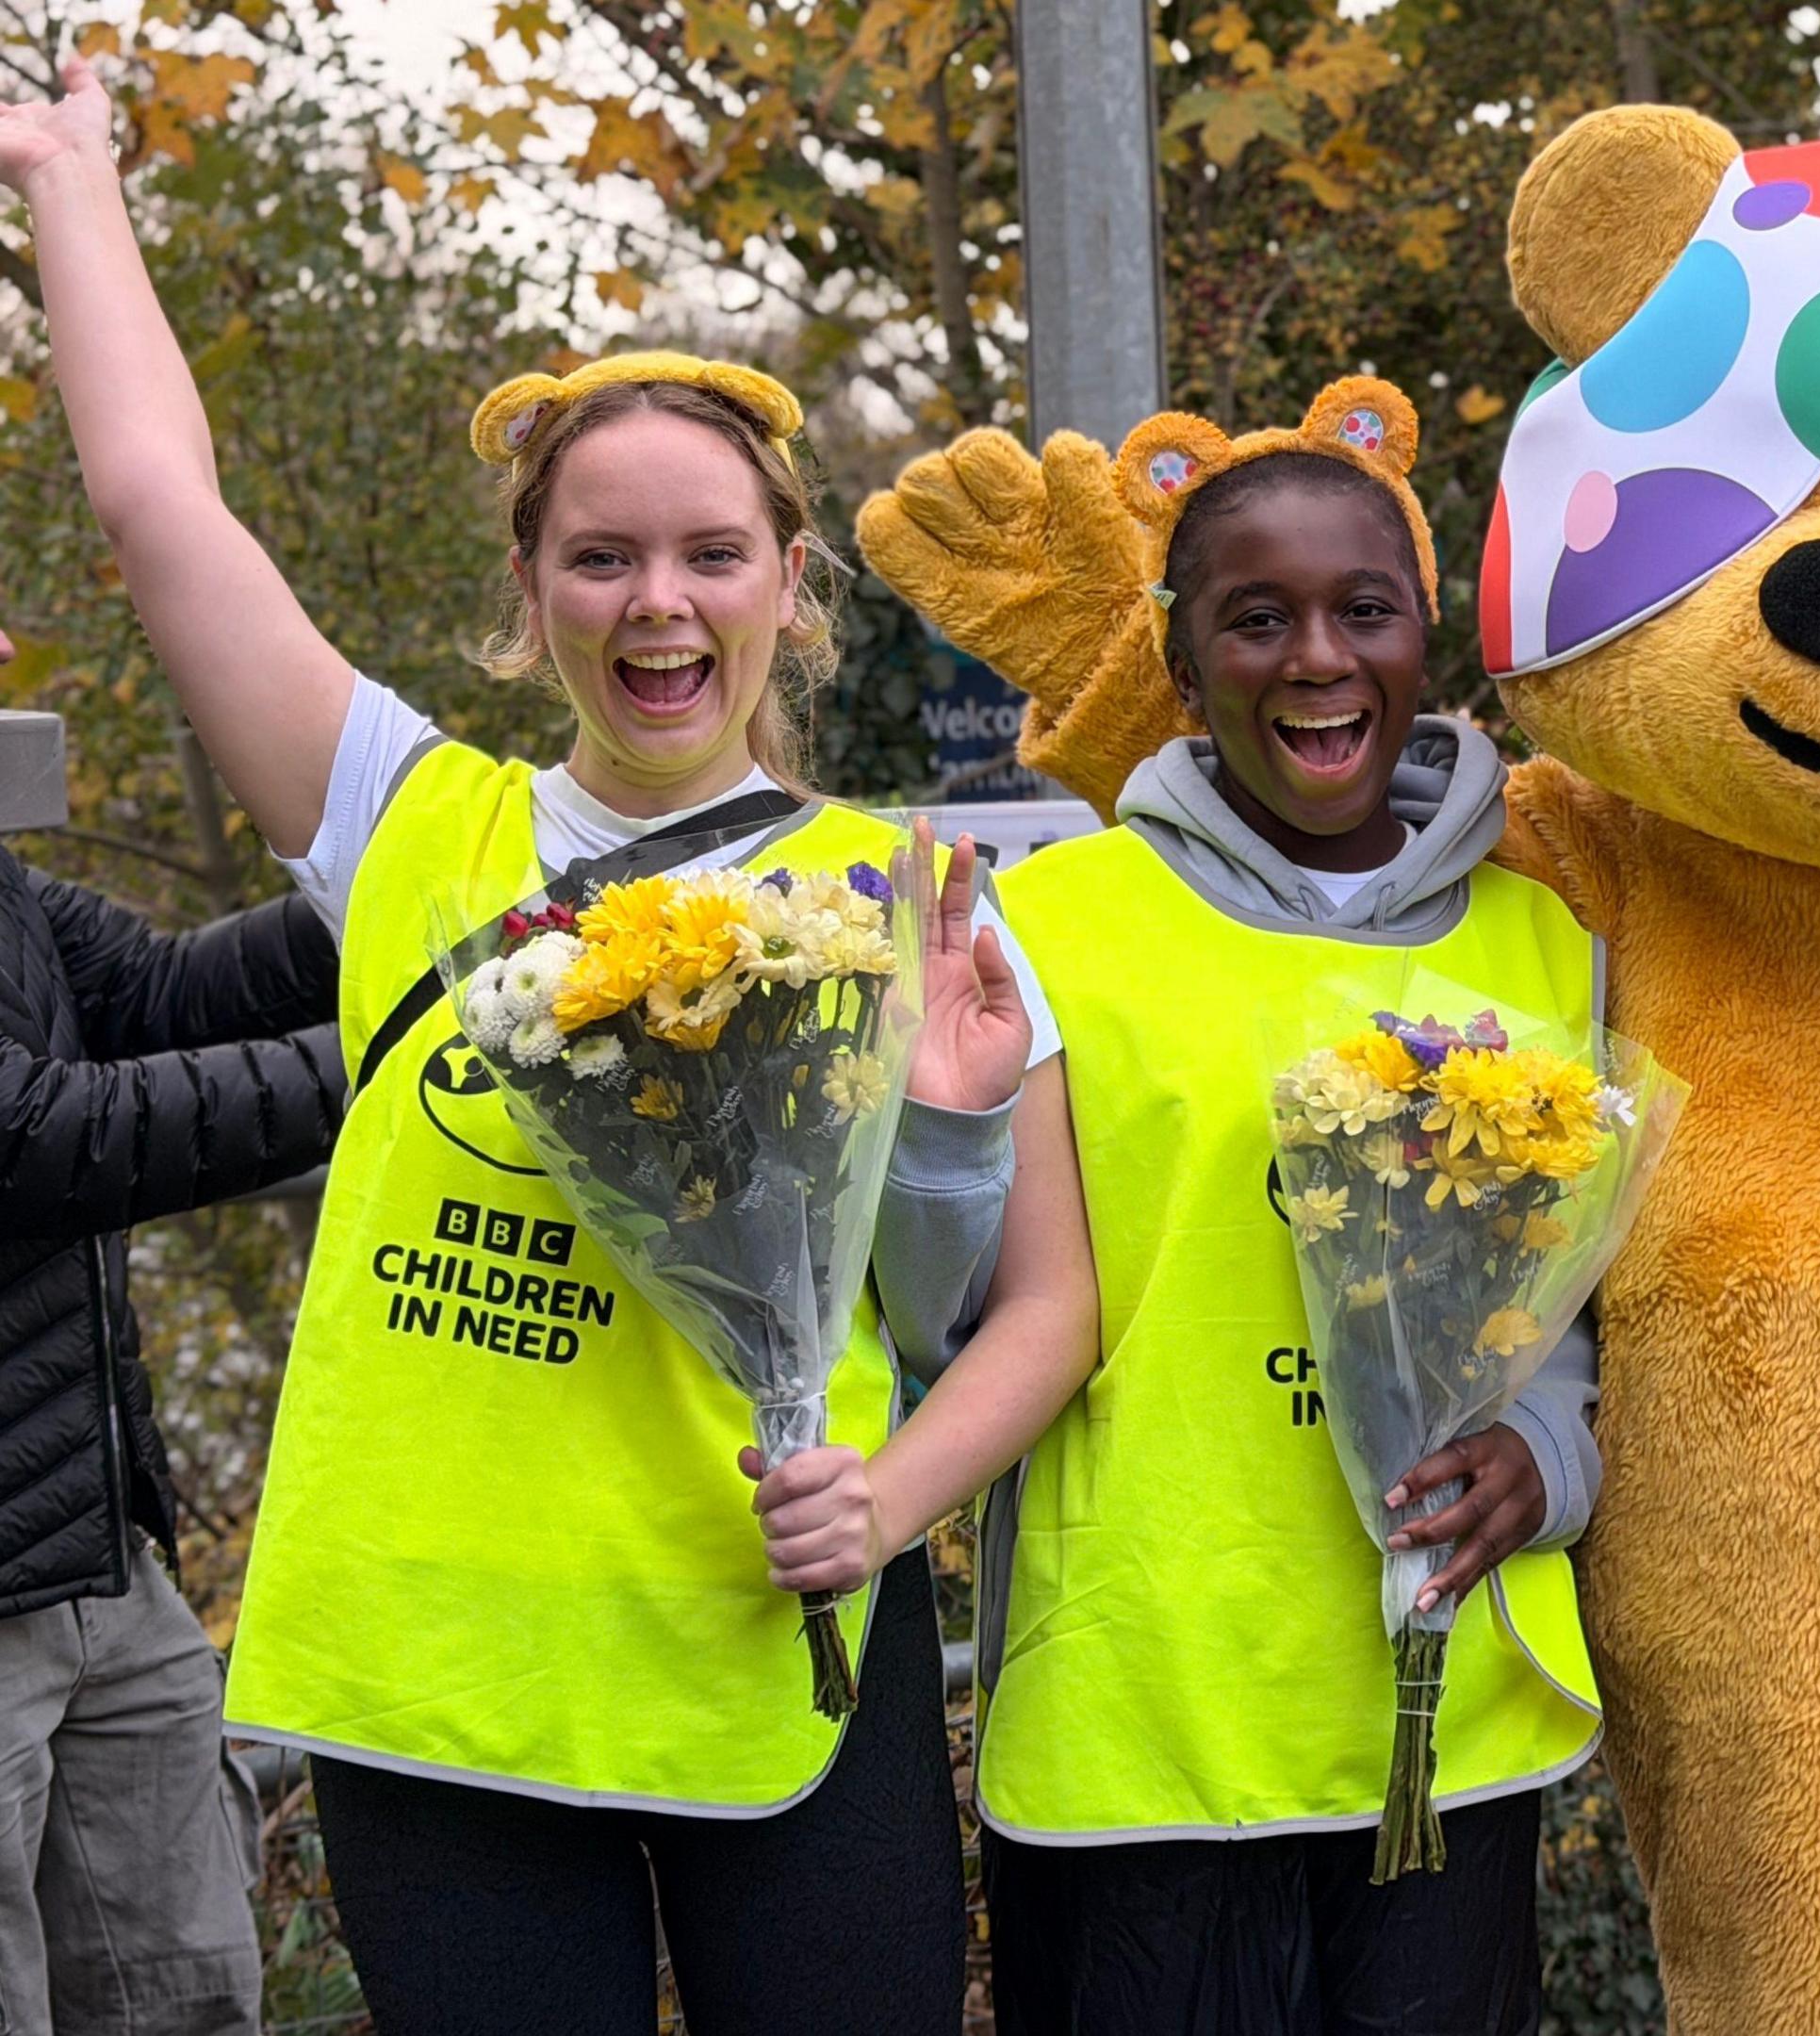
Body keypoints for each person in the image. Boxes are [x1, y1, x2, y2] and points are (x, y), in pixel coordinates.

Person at [0, 53, 1054, 2029]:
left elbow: (1028, 1313)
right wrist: (66, 174)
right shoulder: (411, 824)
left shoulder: (914, 901)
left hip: (779, 1634)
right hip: (447, 1676)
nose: (658, 605)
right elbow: (156, 509)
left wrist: (897, 1482)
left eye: (711, 555)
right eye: (600, 557)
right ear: (529, 587)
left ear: (790, 583)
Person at [763, 381, 1605, 2035]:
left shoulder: (1546, 935)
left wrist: (1548, 1454)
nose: (1317, 657)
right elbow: (945, 1321)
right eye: (1256, 617)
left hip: (1448, 1714)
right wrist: (946, 1125)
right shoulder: (1060, 923)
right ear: (1176, 657)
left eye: (1364, 609)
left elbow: (1585, 1313)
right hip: (1143, 1717)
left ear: (1426, 631)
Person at [0, 667, 342, 2035]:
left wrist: (416, 882)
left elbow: (166, 991)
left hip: (97, 1568)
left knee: (186, 1997)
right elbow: (43, 1139)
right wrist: (397, 1067)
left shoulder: (8, 892)